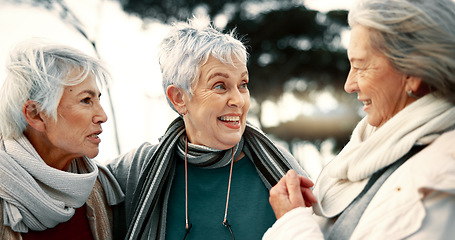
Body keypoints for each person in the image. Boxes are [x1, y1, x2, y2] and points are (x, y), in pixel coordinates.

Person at [105, 20, 316, 240]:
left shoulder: (283, 174)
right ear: (179, 98)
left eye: (243, 84)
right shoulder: (135, 169)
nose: (238, 100)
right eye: (220, 86)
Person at [264, 0, 455, 239]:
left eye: (361, 67)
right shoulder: (374, 148)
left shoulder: (441, 179)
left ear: (413, 73)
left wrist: (292, 223)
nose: (348, 85)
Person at [0, 40, 124, 240]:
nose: (102, 116)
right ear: (36, 115)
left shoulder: (96, 187)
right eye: (86, 100)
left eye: (98, 99)